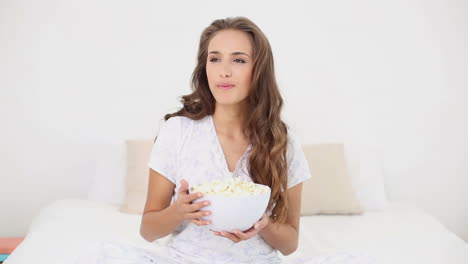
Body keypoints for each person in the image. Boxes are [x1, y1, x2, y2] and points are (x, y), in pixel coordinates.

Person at [76, 16, 311, 264]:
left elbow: (290, 244)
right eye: (215, 59)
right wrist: (180, 211)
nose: (224, 71)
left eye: (239, 60)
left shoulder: (283, 141)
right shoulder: (177, 131)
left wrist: (263, 224)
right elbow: (148, 230)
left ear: (259, 70)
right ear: (204, 67)